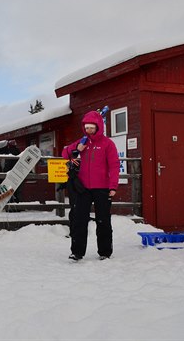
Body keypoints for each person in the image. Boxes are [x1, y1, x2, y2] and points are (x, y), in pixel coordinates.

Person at [62, 111, 120, 261]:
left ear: (98, 127)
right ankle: (77, 252)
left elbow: (114, 166)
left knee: (103, 221)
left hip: (102, 188)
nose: (89, 131)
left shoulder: (108, 144)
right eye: (86, 128)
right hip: (83, 189)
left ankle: (105, 252)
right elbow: (64, 153)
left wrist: (113, 187)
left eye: (92, 128)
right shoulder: (83, 142)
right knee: (79, 220)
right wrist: (76, 150)